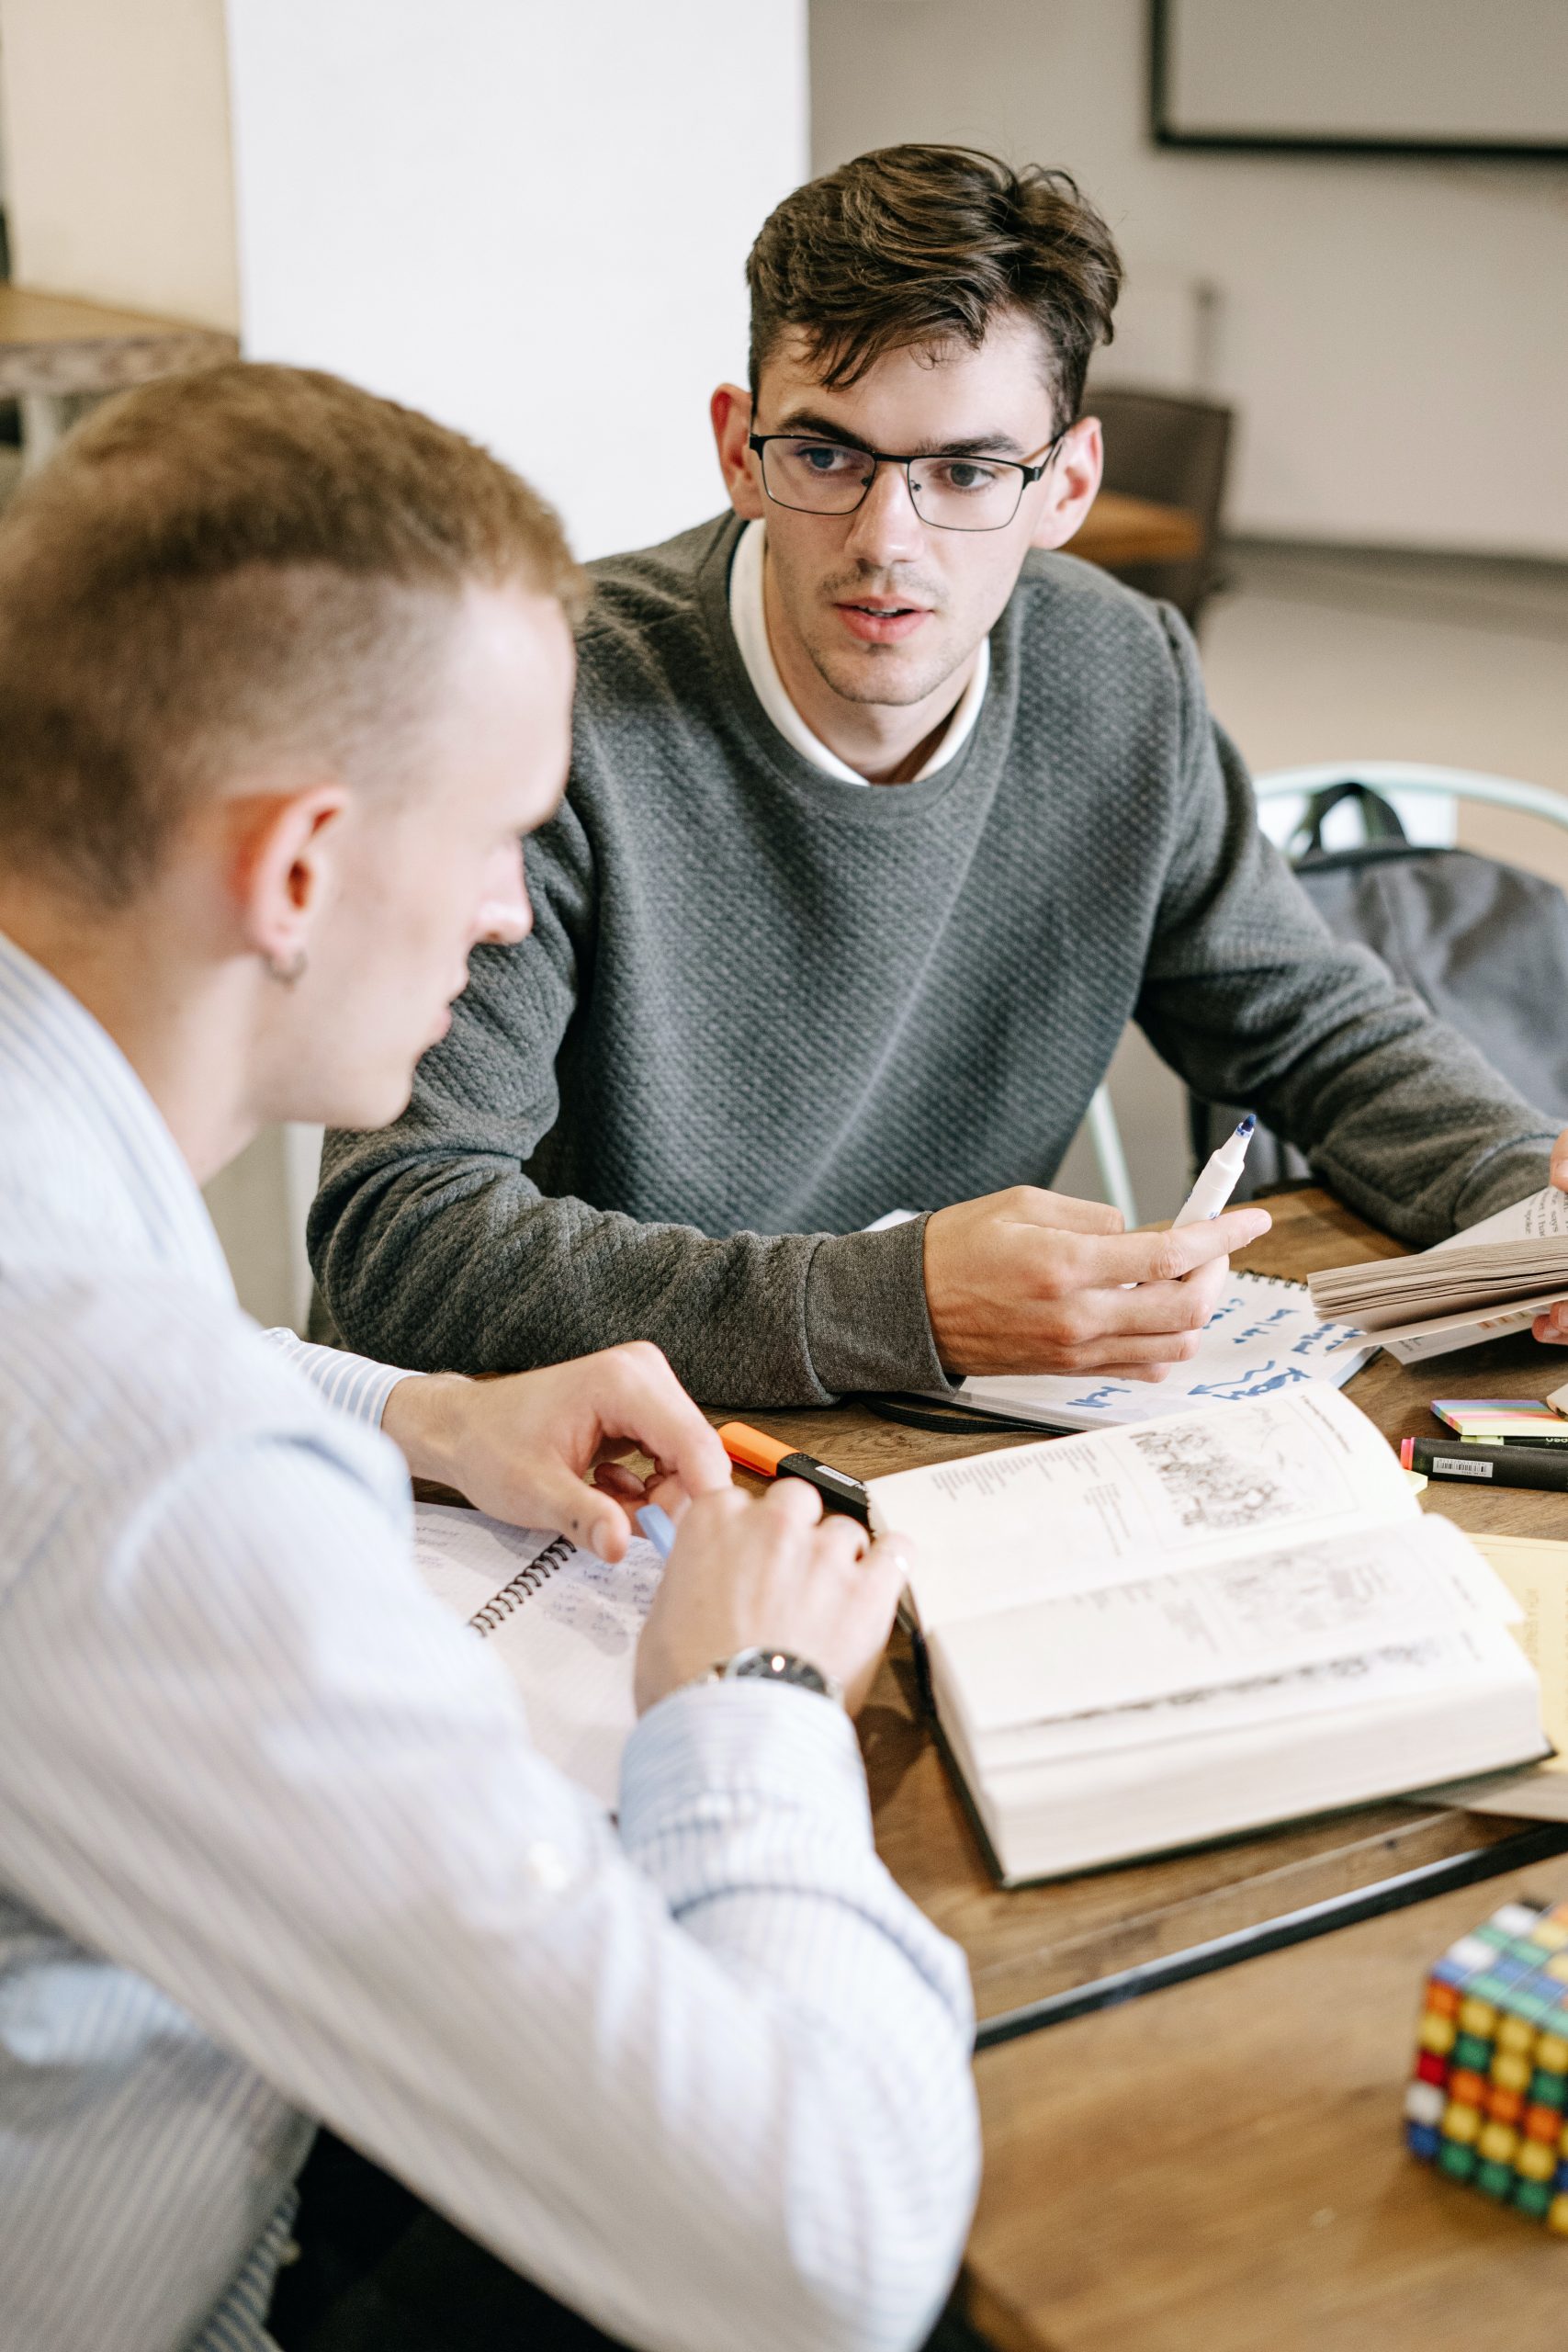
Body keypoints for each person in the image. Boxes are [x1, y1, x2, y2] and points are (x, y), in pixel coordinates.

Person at [0, 364, 978, 2352]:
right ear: (293, 872)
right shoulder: (137, 1465)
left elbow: (127, 1358)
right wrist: (755, 1694)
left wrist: (420, 1410)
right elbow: (824, 2248)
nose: (510, 905)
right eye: (497, 835)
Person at [310, 143, 1568, 1407]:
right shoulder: (541, 708)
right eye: (827, 456)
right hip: (578, 1480)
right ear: (739, 450)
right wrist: (903, 1300)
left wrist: (1527, 1192)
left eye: (966, 471)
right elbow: (401, 1238)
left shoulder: (1119, 672)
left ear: (1066, 484)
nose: (885, 541)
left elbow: (1311, 1027)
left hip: (943, 1452)